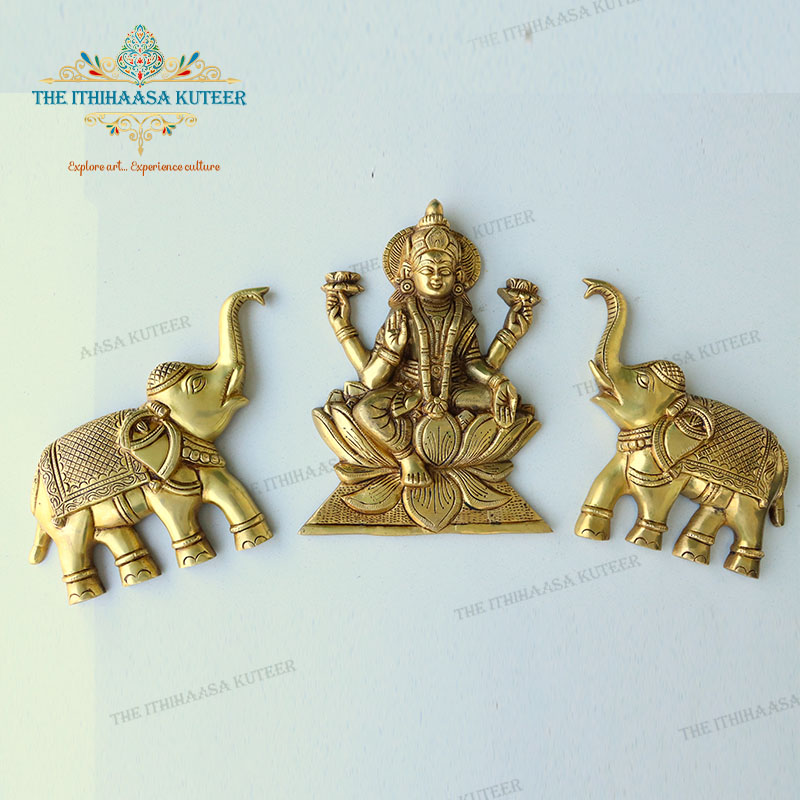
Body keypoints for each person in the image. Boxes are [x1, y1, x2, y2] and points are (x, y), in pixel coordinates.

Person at [326, 200, 530, 487]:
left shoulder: (463, 317)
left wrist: (499, 377)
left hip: (454, 393)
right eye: (427, 270)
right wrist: (392, 352)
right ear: (408, 273)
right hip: (408, 392)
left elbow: (474, 364)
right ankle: (407, 456)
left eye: (444, 271)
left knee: (505, 405)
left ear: (458, 276)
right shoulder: (402, 315)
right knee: (364, 411)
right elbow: (371, 381)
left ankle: (445, 434)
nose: (436, 278)